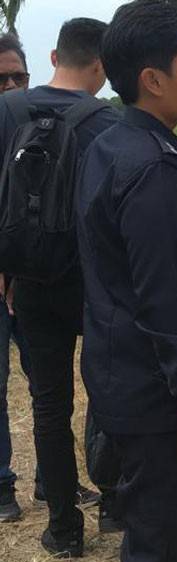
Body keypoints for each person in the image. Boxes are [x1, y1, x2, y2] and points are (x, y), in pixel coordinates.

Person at [78, 0, 177, 562]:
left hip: (123, 375)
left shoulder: (113, 144)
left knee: (152, 542)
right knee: (162, 553)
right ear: (154, 80)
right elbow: (162, 297)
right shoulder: (152, 168)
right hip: (159, 398)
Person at [0, 18, 119, 555]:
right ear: (99, 64)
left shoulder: (7, 111)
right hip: (92, 282)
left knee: (49, 404)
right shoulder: (107, 122)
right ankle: (115, 506)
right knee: (108, 394)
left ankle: (64, 528)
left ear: (56, 55)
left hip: (29, 279)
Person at [0, 32, 33, 524]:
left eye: (18, 77)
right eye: (1, 78)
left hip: (33, 279)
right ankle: (2, 486)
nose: (10, 86)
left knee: (49, 384)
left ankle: (55, 481)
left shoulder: (39, 129)